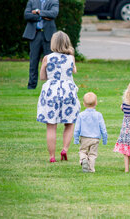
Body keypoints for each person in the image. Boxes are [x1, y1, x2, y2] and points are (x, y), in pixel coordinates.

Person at [36, 31, 80, 163]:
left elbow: (43, 77)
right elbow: (74, 71)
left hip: (51, 91)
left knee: (51, 125)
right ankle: (64, 149)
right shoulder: (70, 58)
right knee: (70, 122)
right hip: (68, 90)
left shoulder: (47, 58)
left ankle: (52, 156)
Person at [23, 0, 59, 89]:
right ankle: (31, 85)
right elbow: (26, 15)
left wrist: (38, 12)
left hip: (48, 36)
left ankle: (50, 85)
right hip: (35, 35)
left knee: (50, 61)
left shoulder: (54, 1)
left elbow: (53, 14)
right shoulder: (32, 1)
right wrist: (43, 16)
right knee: (33, 61)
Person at [74, 92, 107, 173]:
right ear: (96, 103)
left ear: (84, 104)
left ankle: (83, 159)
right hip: (95, 138)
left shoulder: (81, 115)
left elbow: (77, 128)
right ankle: (91, 169)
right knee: (92, 154)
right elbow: (103, 128)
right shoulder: (98, 115)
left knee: (82, 151)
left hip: (84, 138)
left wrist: (76, 138)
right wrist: (104, 138)